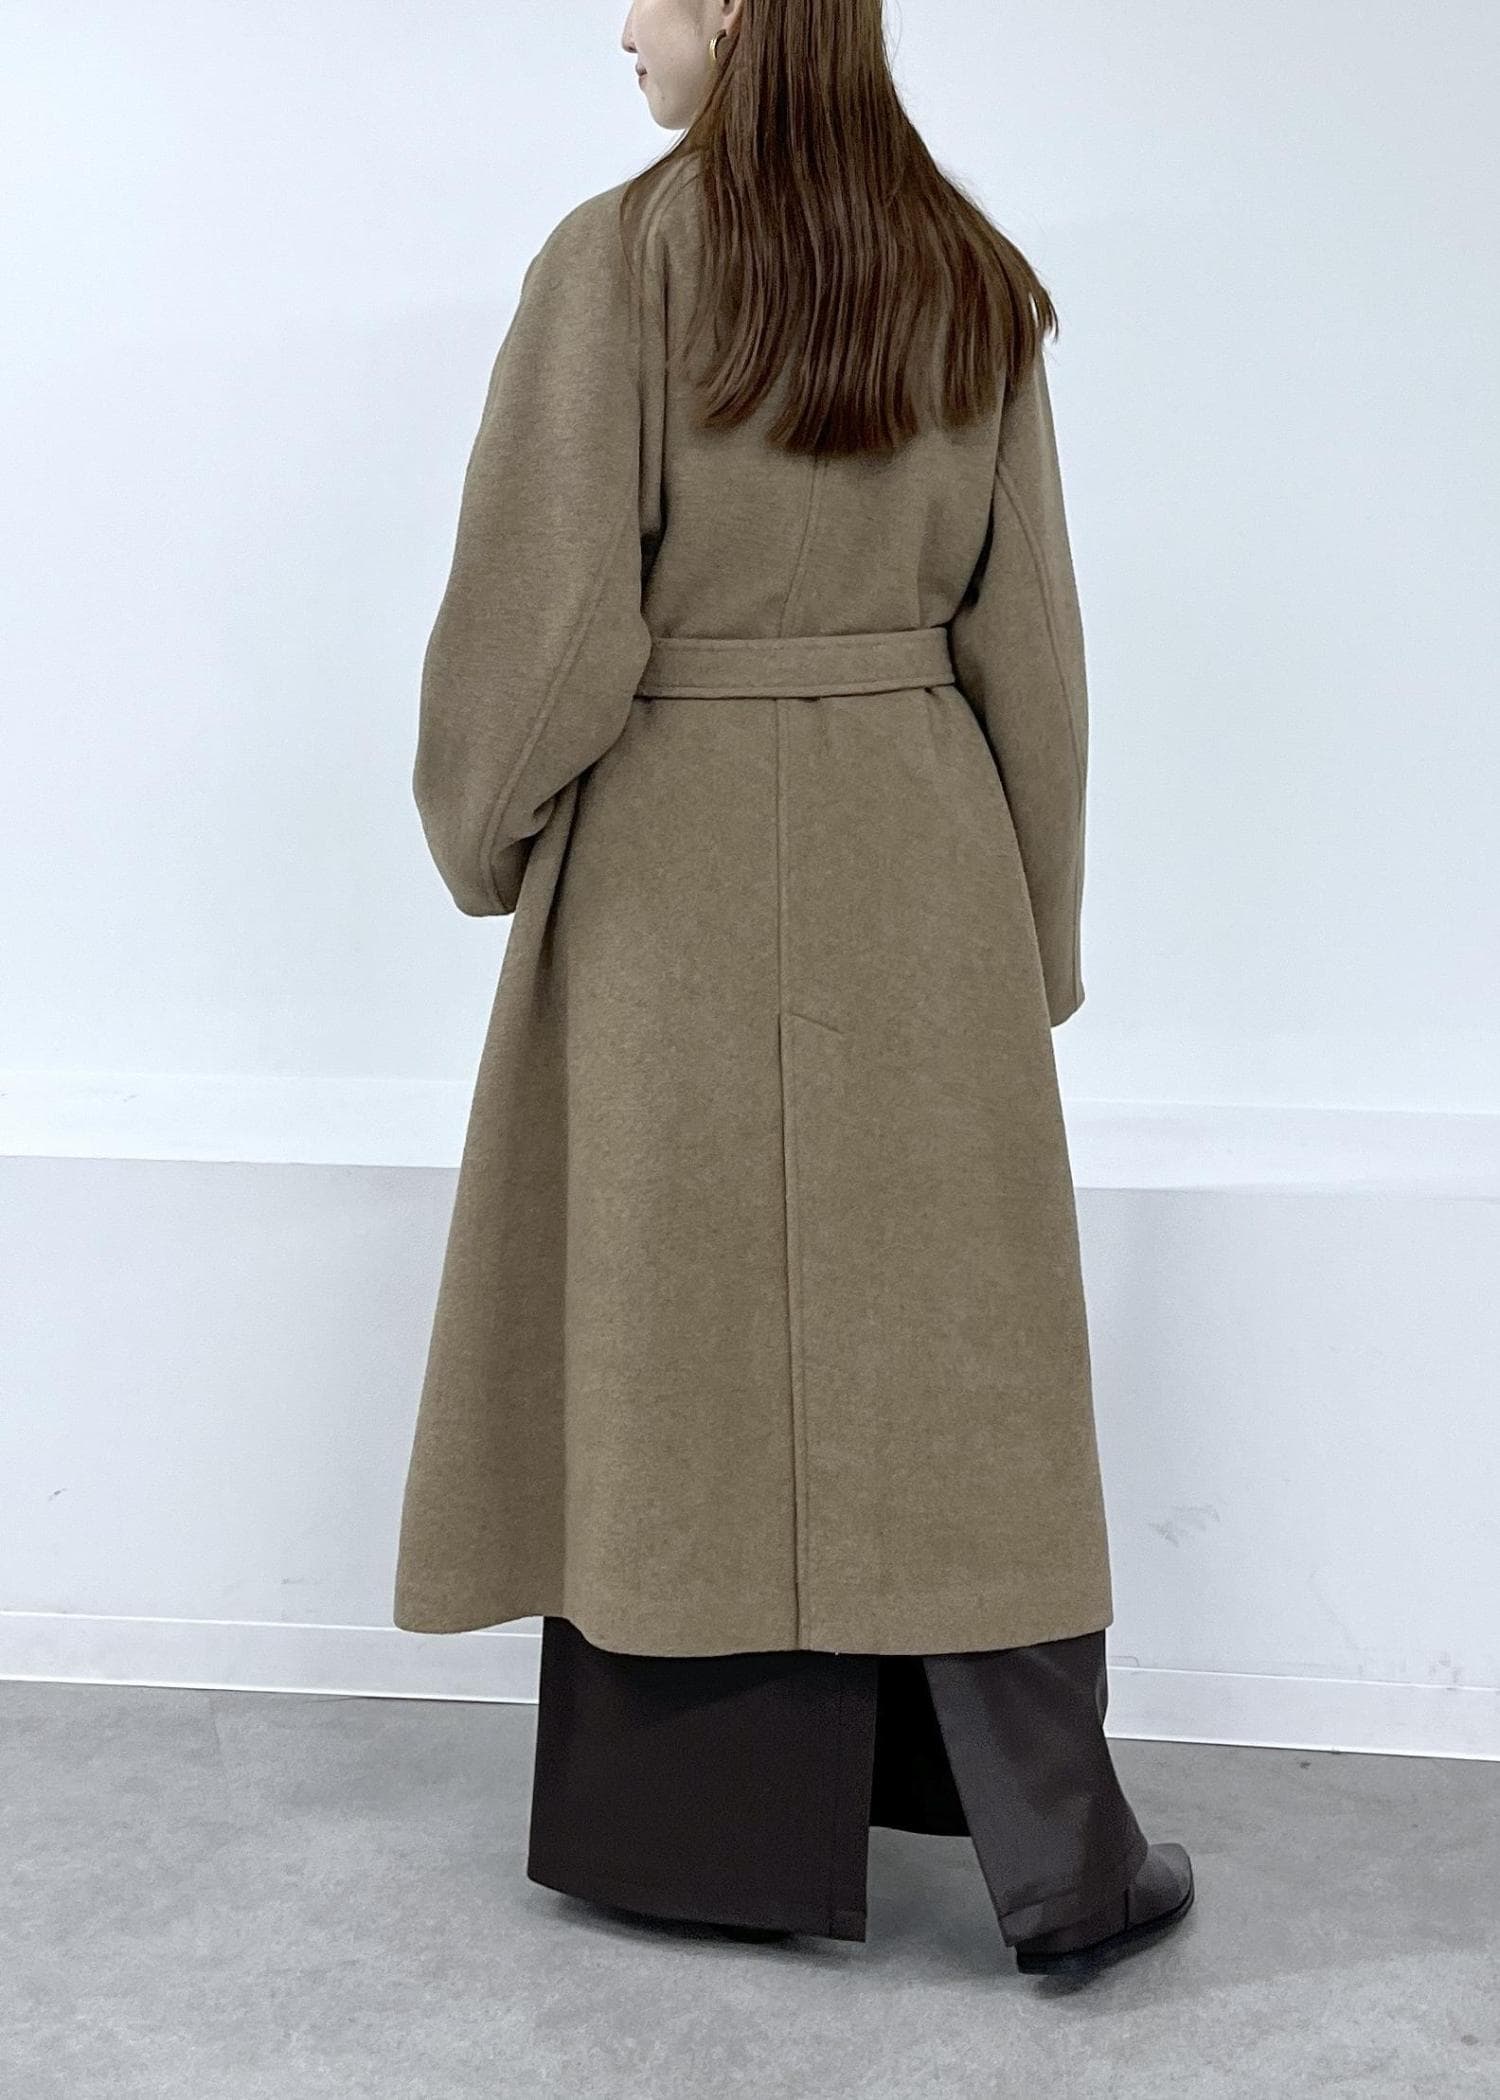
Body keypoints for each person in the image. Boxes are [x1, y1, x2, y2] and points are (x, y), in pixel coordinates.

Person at [393, 0, 1194, 1984]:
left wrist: (481, 833)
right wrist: (1033, 939)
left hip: (671, 862)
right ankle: (1055, 1846)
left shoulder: (620, 258)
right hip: (924, 855)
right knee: (957, 1355)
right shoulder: (969, 273)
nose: (623, 25)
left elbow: (547, 616)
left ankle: (708, 1839)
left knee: (680, 1338)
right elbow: (1034, 642)